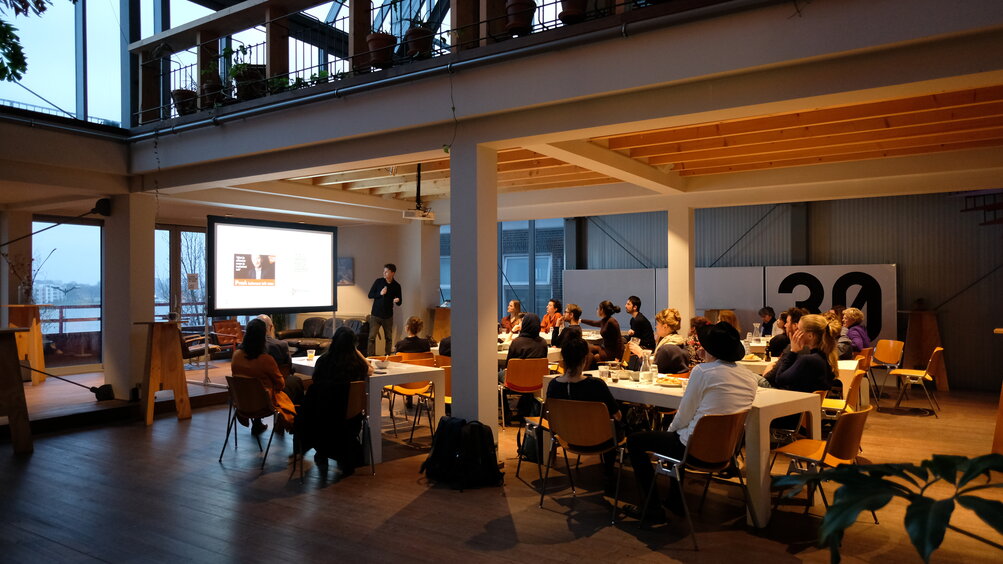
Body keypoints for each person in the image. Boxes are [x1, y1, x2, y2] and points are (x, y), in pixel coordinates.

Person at [625, 321, 758, 522]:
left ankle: (652, 508)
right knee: (683, 433)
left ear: (710, 349)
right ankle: (675, 500)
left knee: (636, 441)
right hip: (725, 451)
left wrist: (670, 432)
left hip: (693, 448)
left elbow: (684, 414)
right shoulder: (750, 378)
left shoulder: (703, 372)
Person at [546, 336, 622, 492]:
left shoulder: (553, 386)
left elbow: (550, 417)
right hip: (601, 440)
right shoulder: (595, 385)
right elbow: (618, 416)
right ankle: (609, 474)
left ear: (563, 359)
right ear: (585, 358)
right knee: (614, 425)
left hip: (567, 438)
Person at [297, 326, 374, 477]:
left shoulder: (323, 361)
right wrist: (357, 352)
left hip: (322, 416)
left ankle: (322, 453)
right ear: (353, 344)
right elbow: (370, 369)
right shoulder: (356, 365)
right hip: (349, 418)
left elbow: (315, 381)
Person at [231, 318, 296, 434]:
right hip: (263, 404)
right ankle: (290, 426)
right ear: (262, 337)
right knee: (293, 384)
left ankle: (257, 424)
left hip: (241, 402)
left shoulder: (236, 356)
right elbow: (280, 384)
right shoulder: (266, 360)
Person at [762, 313, 839, 394]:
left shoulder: (808, 360)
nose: (796, 332)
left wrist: (792, 351)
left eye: (798, 329)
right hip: (807, 401)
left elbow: (779, 379)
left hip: (793, 401)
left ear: (810, 335)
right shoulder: (825, 356)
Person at [256, 314, 304, 404]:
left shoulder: (241, 350)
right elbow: (288, 367)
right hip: (272, 387)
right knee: (296, 381)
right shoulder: (280, 345)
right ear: (270, 327)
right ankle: (295, 412)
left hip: (246, 394)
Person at [628, 308, 690, 374]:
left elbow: (651, 373)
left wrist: (640, 353)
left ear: (665, 327)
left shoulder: (666, 349)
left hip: (665, 383)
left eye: (658, 324)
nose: (656, 327)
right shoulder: (680, 344)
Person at [367, 263, 402, 356]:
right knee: (371, 337)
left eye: (386, 272)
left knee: (389, 338)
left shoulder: (396, 285)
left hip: (388, 316)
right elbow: (370, 295)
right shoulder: (378, 282)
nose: (384, 273)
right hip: (376, 315)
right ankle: (371, 357)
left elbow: (399, 302)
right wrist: (380, 293)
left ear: (392, 273)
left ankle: (388, 356)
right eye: (384, 271)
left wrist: (397, 300)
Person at [582, 300, 624, 366]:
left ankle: (583, 371)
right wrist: (581, 320)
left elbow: (619, 341)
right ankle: (584, 372)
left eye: (598, 308)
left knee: (591, 351)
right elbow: (594, 323)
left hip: (611, 353)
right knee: (586, 349)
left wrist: (617, 358)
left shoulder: (612, 322)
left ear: (602, 310)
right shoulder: (605, 320)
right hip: (606, 349)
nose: (597, 310)